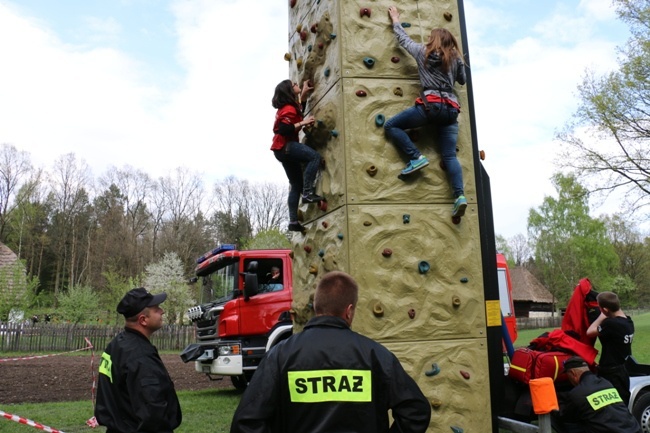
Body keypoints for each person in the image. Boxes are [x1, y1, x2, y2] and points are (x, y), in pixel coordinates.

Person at [230, 271, 431, 433]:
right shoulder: (376, 356)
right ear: (349, 311)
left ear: (317, 306)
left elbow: (246, 422)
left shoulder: (281, 355)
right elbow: (416, 412)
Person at [384, 6, 467, 218]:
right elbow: (462, 81)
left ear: (435, 40)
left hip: (430, 106)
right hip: (450, 110)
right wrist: (457, 60)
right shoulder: (456, 59)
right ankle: (459, 197)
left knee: (391, 126)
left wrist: (395, 19)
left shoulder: (423, 52)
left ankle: (416, 157)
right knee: (449, 156)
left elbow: (404, 41)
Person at [95, 287, 182, 433]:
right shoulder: (140, 357)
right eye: (156, 309)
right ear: (143, 320)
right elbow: (153, 413)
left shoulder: (117, 344)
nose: (162, 311)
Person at [271, 79, 325, 232]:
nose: (297, 84)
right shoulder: (288, 108)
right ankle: (307, 192)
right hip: (285, 146)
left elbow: (297, 112)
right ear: (289, 90)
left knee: (295, 184)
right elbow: (284, 129)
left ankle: (293, 221)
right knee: (314, 157)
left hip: (281, 150)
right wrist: (304, 123)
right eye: (294, 84)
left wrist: (304, 94)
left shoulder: (288, 107)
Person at [552, 356, 640, 433]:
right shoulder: (606, 383)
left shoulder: (577, 393)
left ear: (572, 373)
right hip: (634, 429)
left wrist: (553, 406)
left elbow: (564, 416)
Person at [586, 291, 634, 405]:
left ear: (605, 309)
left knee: (612, 405)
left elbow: (589, 332)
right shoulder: (628, 321)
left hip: (611, 372)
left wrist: (601, 317)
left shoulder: (611, 324)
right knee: (622, 403)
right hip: (622, 369)